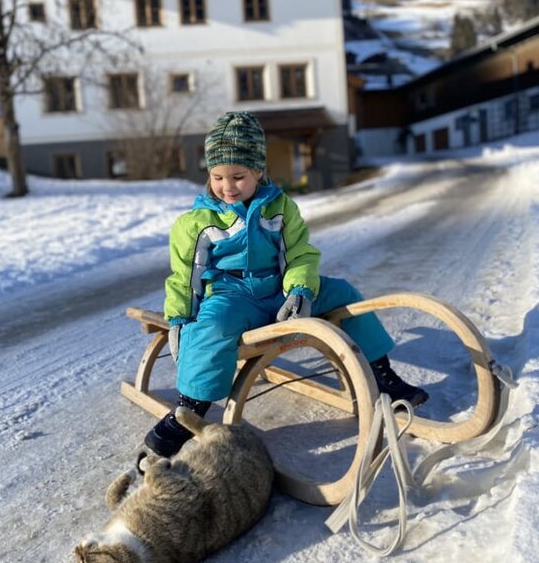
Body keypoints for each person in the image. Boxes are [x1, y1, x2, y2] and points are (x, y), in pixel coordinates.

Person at [141, 111, 428, 460]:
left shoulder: (281, 208)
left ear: (259, 171)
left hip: (279, 290)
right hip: (231, 296)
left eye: (238, 176)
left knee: (345, 294)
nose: (227, 186)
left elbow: (300, 254)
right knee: (210, 327)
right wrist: (180, 317)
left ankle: (382, 375)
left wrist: (301, 289)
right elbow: (184, 275)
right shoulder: (197, 221)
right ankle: (190, 408)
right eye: (217, 176)